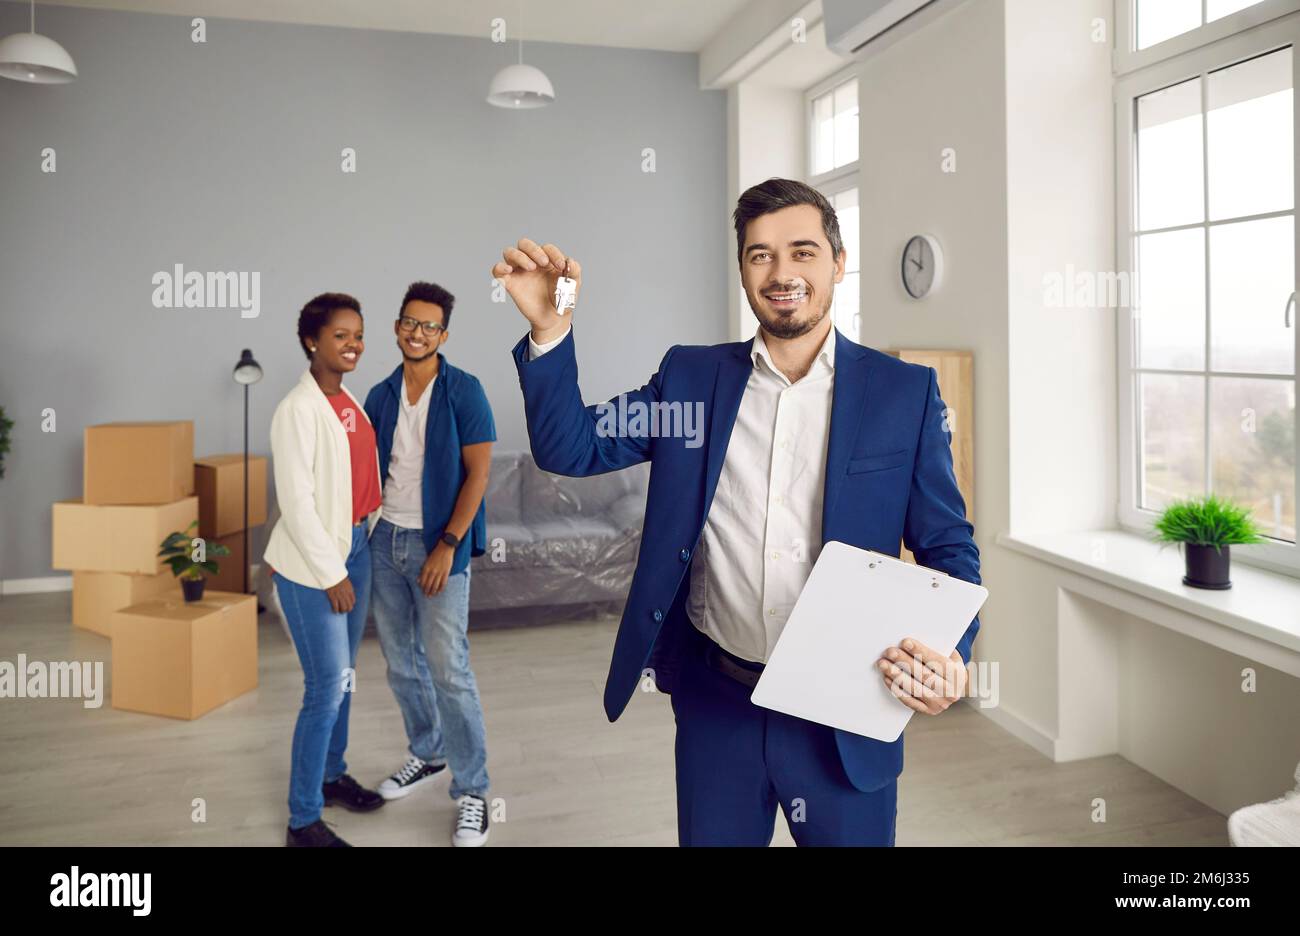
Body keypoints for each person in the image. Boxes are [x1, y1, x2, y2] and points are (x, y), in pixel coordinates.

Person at [492, 178, 981, 846]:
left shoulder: (905, 395)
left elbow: (948, 547)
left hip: (844, 713)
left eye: (802, 252)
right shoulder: (691, 381)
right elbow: (570, 447)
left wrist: (949, 651)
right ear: (744, 268)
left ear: (838, 263)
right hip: (717, 703)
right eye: (760, 255)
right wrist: (550, 330)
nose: (782, 273)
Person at [363, 282, 496, 847]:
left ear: (443, 334)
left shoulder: (464, 391)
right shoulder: (380, 394)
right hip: (382, 540)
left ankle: (473, 792)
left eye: (429, 326)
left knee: (449, 668)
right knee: (400, 663)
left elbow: (479, 475)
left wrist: (447, 543)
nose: (417, 333)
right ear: (397, 326)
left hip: (437, 543)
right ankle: (428, 753)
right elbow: (366, 473)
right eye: (408, 323)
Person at [264, 292, 387, 847]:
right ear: (312, 340)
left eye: (358, 334)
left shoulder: (346, 401)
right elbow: (298, 503)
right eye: (341, 335)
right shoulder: (297, 409)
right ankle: (302, 820)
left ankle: (332, 776)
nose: (353, 344)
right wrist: (332, 574)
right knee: (324, 688)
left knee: (345, 680)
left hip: (354, 548)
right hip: (312, 566)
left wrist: (365, 535)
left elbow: (356, 479)